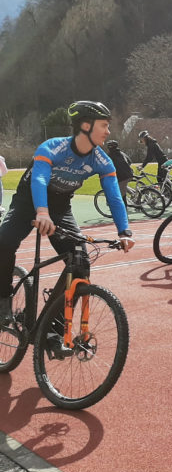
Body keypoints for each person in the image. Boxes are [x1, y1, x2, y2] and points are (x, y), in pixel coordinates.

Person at [0, 101, 134, 322]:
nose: (108, 131)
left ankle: (52, 322)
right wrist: (42, 212)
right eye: (104, 125)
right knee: (4, 242)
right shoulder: (52, 147)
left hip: (60, 207)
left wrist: (124, 231)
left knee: (81, 263)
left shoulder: (102, 160)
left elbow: (114, 197)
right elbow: (39, 179)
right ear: (86, 126)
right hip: (28, 200)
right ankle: (3, 299)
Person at [105, 140, 135, 208]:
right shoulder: (121, 153)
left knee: (121, 194)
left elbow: (106, 166)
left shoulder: (110, 155)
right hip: (129, 174)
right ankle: (132, 193)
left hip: (121, 176)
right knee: (122, 186)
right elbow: (130, 161)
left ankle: (124, 209)